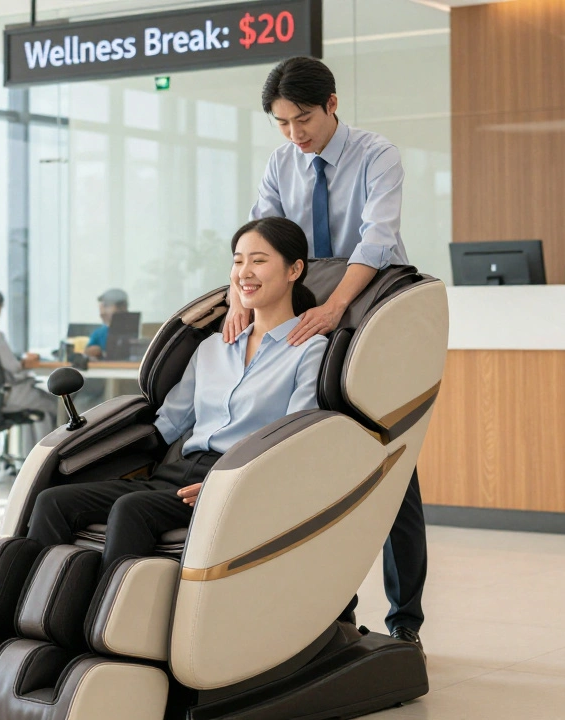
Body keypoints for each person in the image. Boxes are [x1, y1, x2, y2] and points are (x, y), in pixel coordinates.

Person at [232, 56, 426, 649]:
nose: (296, 134)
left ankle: (404, 626)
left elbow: (377, 237)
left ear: (332, 104)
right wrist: (238, 295)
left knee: (391, 465)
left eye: (304, 118)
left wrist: (338, 305)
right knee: (315, 462)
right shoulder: (280, 162)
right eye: (282, 123)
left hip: (371, 306)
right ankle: (332, 614)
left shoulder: (376, 154)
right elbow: (259, 234)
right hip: (312, 310)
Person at [27, 217, 327, 571]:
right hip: (177, 473)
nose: (244, 271)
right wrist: (95, 450)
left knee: (132, 509)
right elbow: (167, 424)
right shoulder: (213, 347)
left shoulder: (309, 349)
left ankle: (110, 623)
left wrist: (233, 486)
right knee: (52, 501)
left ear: (294, 270)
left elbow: (295, 443)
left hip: (232, 477)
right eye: (237, 260)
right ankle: (26, 616)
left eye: (258, 261)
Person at [0, 287, 57, 447]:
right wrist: (26, 364)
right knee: (54, 405)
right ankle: (48, 460)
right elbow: (13, 369)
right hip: (6, 395)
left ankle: (31, 457)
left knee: (35, 406)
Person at [84, 288, 129, 359]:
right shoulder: (99, 333)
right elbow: (87, 352)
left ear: (122, 307)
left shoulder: (134, 331)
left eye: (106, 305)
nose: (102, 311)